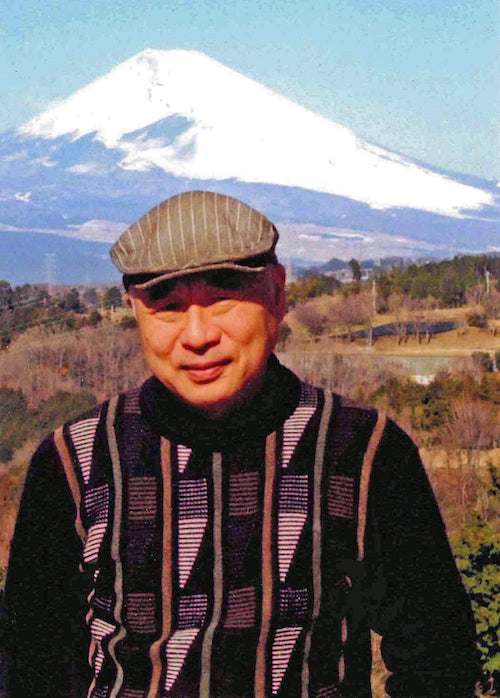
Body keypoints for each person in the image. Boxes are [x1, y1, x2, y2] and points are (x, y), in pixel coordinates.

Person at [2, 191, 478, 697]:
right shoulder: (76, 460)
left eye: (222, 299)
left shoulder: (365, 451)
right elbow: (32, 663)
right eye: (167, 307)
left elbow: (437, 655)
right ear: (133, 312)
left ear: (277, 292)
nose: (198, 334)